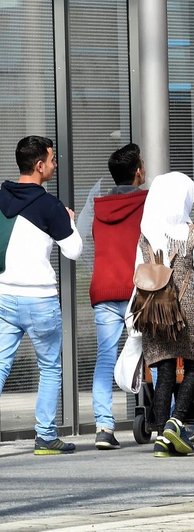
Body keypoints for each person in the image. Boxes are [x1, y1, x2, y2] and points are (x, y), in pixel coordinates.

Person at [0, 136, 83, 454]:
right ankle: (46, 437)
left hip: (5, 295)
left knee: (1, 364)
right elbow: (74, 251)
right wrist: (71, 222)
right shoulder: (49, 205)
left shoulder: (2, 197)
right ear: (39, 166)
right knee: (49, 367)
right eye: (52, 159)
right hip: (40, 300)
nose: (55, 163)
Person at [135, 172, 194, 457]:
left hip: (155, 311)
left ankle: (160, 436)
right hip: (187, 309)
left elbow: (137, 276)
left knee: (164, 369)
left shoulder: (146, 234)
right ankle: (176, 421)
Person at [89, 143, 147, 450]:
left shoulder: (99, 207)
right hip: (139, 289)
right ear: (138, 172)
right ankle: (169, 419)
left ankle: (103, 427)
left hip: (104, 288)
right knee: (158, 352)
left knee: (105, 356)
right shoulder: (147, 202)